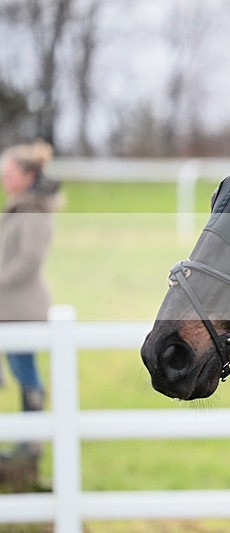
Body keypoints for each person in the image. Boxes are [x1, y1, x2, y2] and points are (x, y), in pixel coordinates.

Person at [0, 140, 61, 460]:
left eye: (9, 173)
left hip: (21, 307)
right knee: (21, 369)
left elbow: (28, 261)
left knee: (25, 371)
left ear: (27, 175)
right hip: (10, 305)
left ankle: (30, 444)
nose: (4, 179)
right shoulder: (21, 206)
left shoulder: (32, 210)